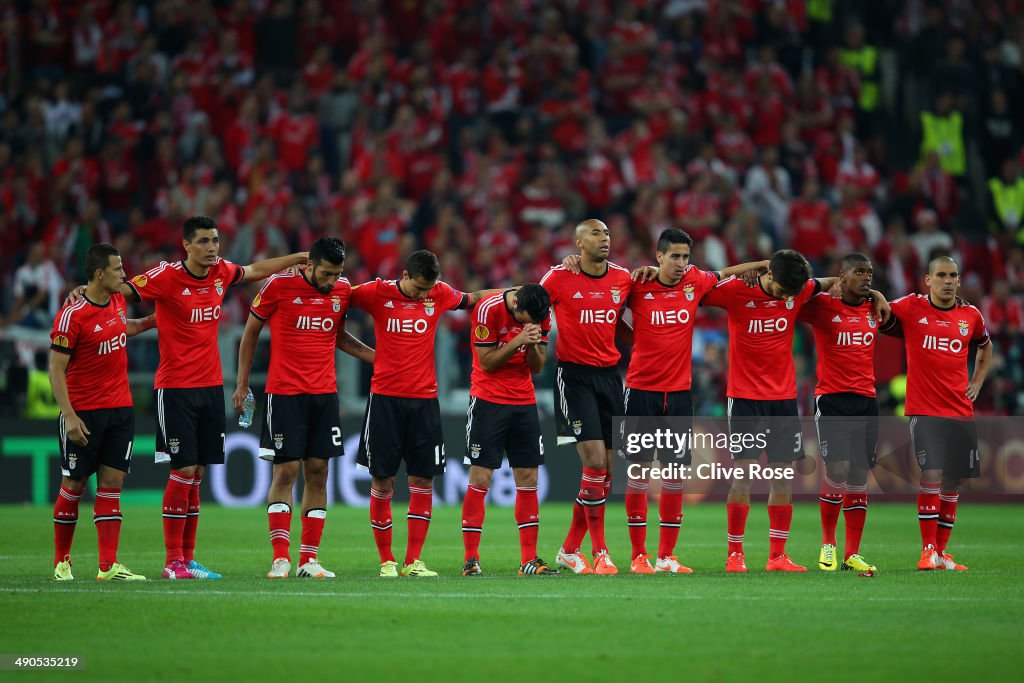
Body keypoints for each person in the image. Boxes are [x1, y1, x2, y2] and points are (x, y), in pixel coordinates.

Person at [125, 216, 309, 580]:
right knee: (183, 471)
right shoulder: (164, 276)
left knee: (198, 475)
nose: (212, 247)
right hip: (175, 388)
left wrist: (296, 257)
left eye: (215, 240)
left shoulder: (222, 272)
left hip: (211, 388)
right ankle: (172, 561)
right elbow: (124, 290)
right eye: (204, 241)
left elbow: (255, 269)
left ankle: (188, 559)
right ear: (186, 245)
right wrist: (85, 291)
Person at [702, 249, 889, 572]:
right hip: (745, 398)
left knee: (782, 478)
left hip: (784, 400)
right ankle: (735, 554)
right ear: (770, 274)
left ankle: (777, 556)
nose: (787, 298)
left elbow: (839, 281)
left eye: (792, 294)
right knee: (744, 476)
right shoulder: (737, 291)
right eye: (782, 291)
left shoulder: (800, 288)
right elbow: (702, 287)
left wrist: (876, 294)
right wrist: (752, 266)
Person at [615, 229, 767, 574]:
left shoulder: (695, 281)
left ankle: (666, 557)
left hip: (679, 394)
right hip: (641, 391)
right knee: (638, 473)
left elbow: (725, 273)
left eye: (686, 256)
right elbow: (608, 309)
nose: (682, 263)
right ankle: (639, 556)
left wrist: (759, 264)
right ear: (659, 257)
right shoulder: (636, 284)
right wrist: (633, 339)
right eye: (675, 256)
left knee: (674, 476)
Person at [232, 237, 374, 579]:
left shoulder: (341, 290)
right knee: (285, 473)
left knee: (318, 472)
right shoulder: (278, 285)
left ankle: (308, 559)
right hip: (284, 394)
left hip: (324, 396)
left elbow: (338, 336)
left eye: (336, 274)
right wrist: (241, 383)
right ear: (309, 265)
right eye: (325, 273)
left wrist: (377, 358)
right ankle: (280, 558)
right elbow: (250, 332)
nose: (331, 281)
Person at [354, 250, 497, 578]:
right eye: (418, 289)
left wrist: (511, 292)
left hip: (425, 402)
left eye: (427, 290)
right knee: (383, 480)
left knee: (422, 479)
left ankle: (413, 561)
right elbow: (336, 302)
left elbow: (473, 298)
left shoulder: (440, 292)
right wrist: (367, 354)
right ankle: (386, 561)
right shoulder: (376, 292)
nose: (422, 295)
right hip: (385, 401)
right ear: (404, 276)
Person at [50, 243, 155, 581]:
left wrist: (156, 320)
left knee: (112, 484)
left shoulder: (117, 300)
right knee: (75, 482)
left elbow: (126, 328)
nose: (124, 275)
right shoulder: (72, 315)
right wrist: (68, 415)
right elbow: (55, 369)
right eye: (118, 270)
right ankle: (62, 562)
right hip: (84, 412)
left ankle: (108, 566)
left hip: (120, 410)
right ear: (99, 273)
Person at [880, 256, 992, 571]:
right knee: (931, 476)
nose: (947, 280)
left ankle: (941, 553)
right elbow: (881, 311)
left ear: (959, 280)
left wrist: (977, 382)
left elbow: (985, 345)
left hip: (960, 409)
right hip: (925, 410)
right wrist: (873, 296)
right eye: (940, 275)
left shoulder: (970, 315)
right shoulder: (912, 306)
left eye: (953, 275)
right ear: (927, 280)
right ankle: (927, 550)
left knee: (953, 483)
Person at [540, 218, 634, 575]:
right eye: (596, 233)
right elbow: (531, 305)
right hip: (573, 377)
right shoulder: (559, 277)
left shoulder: (623, 279)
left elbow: (620, 323)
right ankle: (601, 552)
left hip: (610, 378)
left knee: (608, 471)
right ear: (579, 244)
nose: (605, 238)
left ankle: (568, 550)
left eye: (608, 232)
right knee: (594, 464)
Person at [461, 284, 558, 577]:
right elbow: (486, 363)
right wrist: (517, 340)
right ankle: (471, 559)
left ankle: (529, 559)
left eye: (535, 322)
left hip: (524, 401)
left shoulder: (540, 314)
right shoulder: (488, 309)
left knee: (528, 478)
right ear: (515, 303)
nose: (529, 324)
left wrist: (531, 344)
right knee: (481, 478)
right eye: (524, 319)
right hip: (488, 401)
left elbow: (538, 367)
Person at [797, 253, 881, 574]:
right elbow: (793, 299)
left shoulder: (875, 307)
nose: (866, 277)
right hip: (832, 400)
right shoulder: (823, 307)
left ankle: (852, 553)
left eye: (869, 272)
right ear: (842, 276)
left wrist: (879, 295)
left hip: (866, 401)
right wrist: (824, 284)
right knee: (839, 470)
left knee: (860, 475)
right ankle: (828, 543)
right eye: (859, 272)